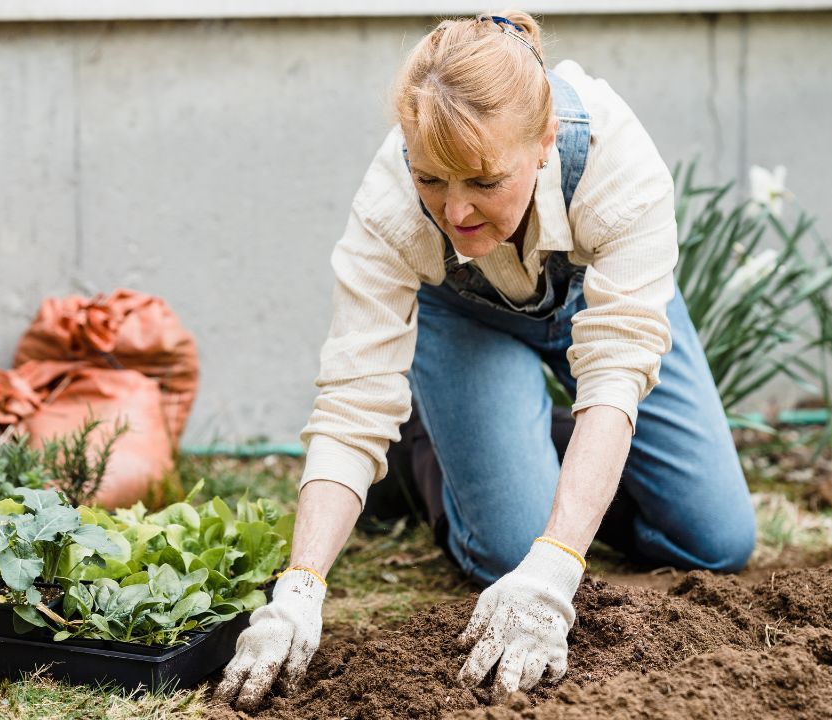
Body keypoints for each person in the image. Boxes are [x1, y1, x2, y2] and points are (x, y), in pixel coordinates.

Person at [215, 10, 755, 711]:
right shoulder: (389, 209)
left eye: (482, 180)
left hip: (601, 304)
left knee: (717, 540)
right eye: (432, 179)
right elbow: (352, 402)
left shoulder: (618, 165)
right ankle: (426, 452)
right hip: (463, 318)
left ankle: (511, 443)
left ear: (543, 140)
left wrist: (559, 564)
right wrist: (299, 591)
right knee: (508, 554)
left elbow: (617, 371)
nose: (456, 211)